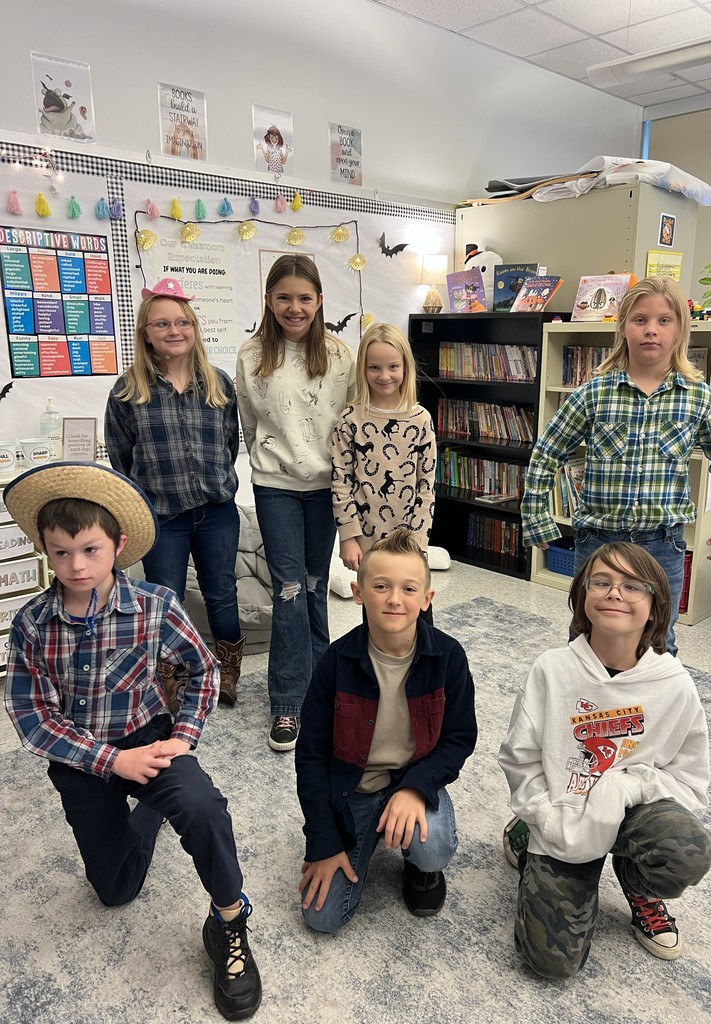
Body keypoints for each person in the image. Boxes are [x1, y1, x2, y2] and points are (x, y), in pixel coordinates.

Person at [3, 463, 261, 1020]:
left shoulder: (154, 606)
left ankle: (229, 920)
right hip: (80, 756)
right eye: (61, 551)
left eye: (90, 550)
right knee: (115, 890)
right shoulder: (30, 624)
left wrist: (184, 738)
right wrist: (111, 762)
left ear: (118, 546)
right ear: (44, 549)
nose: (76, 565)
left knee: (202, 805)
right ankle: (148, 814)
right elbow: (31, 716)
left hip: (150, 741)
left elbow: (204, 670)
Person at [498, 542, 711, 978]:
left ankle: (636, 880)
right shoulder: (552, 669)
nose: (615, 593)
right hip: (563, 815)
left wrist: (627, 786)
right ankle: (525, 836)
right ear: (583, 597)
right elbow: (519, 759)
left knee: (689, 852)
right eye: (602, 582)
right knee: (552, 965)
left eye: (633, 586)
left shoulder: (675, 686)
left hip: (633, 814)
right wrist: (543, 815)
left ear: (655, 609)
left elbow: (691, 783)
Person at [521, 275, 711, 656]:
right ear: (623, 326)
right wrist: (537, 516)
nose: (651, 331)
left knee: (659, 639)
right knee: (586, 633)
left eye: (664, 321)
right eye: (640, 319)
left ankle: (651, 713)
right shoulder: (594, 392)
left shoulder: (699, 398)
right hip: (598, 541)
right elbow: (547, 452)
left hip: (662, 544)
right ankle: (583, 709)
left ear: (680, 329)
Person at [295, 528, 477, 932]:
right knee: (322, 918)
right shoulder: (334, 662)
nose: (395, 599)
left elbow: (459, 738)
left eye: (409, 589)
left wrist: (416, 787)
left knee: (432, 848)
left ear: (427, 599)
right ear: (359, 593)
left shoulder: (448, 658)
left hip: (412, 778)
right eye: (381, 586)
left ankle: (420, 869)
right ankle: (364, 835)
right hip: (353, 790)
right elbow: (309, 758)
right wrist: (323, 842)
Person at [104, 277, 245, 707]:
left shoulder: (217, 384)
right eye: (162, 324)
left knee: (222, 590)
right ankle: (176, 673)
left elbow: (229, 444)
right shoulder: (128, 391)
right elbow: (121, 458)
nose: (174, 331)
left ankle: (227, 671)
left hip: (216, 511)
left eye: (182, 322)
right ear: (145, 333)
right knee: (165, 596)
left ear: (194, 328)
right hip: (161, 517)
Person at [236, 254, 355, 752]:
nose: (294, 307)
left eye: (305, 298)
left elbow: (351, 424)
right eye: (283, 297)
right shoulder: (250, 355)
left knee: (312, 586)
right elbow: (247, 423)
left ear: (320, 300)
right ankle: (287, 703)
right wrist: (268, 465)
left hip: (326, 488)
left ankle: (319, 690)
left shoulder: (339, 354)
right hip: (275, 486)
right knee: (287, 587)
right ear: (268, 300)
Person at [331, 322, 436, 572]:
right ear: (363, 370)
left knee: (414, 607)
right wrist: (347, 537)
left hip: (409, 542)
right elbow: (340, 481)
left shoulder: (421, 419)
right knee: (375, 606)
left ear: (405, 367)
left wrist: (419, 541)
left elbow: (426, 486)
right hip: (366, 542)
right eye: (374, 367)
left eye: (393, 367)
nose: (384, 375)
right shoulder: (350, 419)